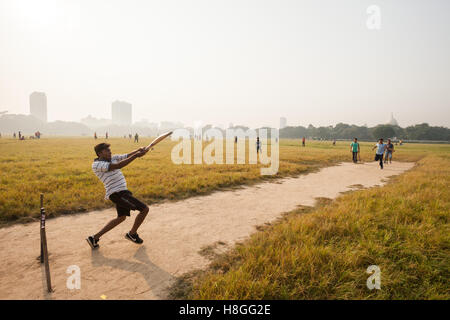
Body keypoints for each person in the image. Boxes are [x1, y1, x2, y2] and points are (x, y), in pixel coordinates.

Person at [86, 143, 150, 249]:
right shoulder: (97, 165)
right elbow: (117, 166)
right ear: (99, 153)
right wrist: (136, 156)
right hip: (117, 193)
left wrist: (138, 150)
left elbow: (127, 155)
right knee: (144, 209)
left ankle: (94, 238)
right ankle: (132, 234)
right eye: (107, 151)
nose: (110, 152)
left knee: (121, 218)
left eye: (110, 150)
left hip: (122, 192)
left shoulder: (113, 158)